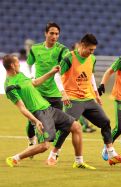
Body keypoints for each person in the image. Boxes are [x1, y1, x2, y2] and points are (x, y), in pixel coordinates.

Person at [50, 33, 121, 166]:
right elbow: (57, 76)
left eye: (93, 50)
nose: (92, 53)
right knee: (67, 126)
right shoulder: (69, 57)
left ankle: (111, 154)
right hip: (73, 99)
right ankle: (53, 154)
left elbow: (90, 75)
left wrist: (96, 94)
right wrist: (63, 93)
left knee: (105, 121)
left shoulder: (92, 59)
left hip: (88, 98)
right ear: (82, 45)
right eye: (90, 50)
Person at [3, 55, 95, 169]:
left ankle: (78, 162)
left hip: (49, 109)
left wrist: (52, 72)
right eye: (17, 63)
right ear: (12, 65)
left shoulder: (20, 75)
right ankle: (15, 158)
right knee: (44, 146)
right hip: (38, 113)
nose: (19, 64)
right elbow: (22, 108)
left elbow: (35, 82)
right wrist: (35, 121)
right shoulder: (10, 86)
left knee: (76, 127)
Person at [26, 22, 69, 157]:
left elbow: (68, 63)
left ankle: (53, 151)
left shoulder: (62, 50)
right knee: (33, 121)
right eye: (51, 33)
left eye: (57, 34)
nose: (54, 36)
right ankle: (31, 142)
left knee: (55, 124)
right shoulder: (35, 48)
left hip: (55, 93)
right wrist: (31, 77)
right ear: (46, 33)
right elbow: (29, 63)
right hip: (38, 92)